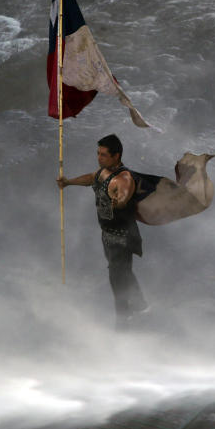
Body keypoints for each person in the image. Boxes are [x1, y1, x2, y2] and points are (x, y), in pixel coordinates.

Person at [58, 134, 149, 329]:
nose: (99, 158)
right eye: (98, 154)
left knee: (116, 277)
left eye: (104, 155)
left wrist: (120, 201)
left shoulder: (124, 178)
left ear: (117, 156)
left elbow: (124, 194)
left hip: (123, 237)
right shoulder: (102, 172)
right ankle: (140, 304)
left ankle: (124, 318)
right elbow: (91, 178)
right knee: (121, 271)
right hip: (107, 234)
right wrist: (68, 182)